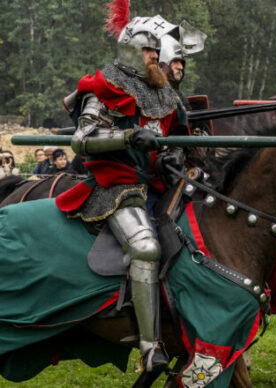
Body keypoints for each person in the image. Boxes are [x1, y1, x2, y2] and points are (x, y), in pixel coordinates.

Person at [55, 13, 199, 371]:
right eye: (151, 51)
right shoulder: (106, 86)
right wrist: (128, 136)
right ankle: (151, 348)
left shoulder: (164, 90)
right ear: (134, 51)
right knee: (145, 247)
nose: (157, 57)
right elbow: (82, 139)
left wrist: (172, 157)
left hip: (157, 182)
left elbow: (179, 138)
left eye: (156, 51)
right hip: (117, 182)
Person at [158, 21, 206, 110]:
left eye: (181, 62)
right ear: (162, 65)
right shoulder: (157, 94)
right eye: (175, 62)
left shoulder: (177, 93)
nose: (180, 67)